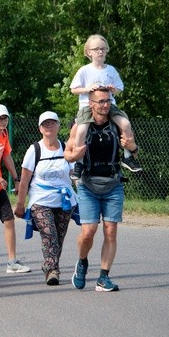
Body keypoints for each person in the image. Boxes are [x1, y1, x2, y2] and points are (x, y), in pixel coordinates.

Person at [64, 87, 136, 292]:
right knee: (89, 232)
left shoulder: (117, 124)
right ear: (91, 104)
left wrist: (132, 148)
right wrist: (74, 156)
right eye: (100, 102)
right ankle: (82, 262)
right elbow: (67, 154)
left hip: (113, 183)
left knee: (111, 231)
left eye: (107, 101)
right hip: (87, 184)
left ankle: (104, 277)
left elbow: (133, 149)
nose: (105, 105)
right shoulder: (80, 126)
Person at [14, 112, 77, 285]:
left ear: (58, 126)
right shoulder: (35, 150)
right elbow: (25, 180)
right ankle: (51, 270)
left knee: (59, 236)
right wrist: (20, 204)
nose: (49, 126)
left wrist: (83, 199)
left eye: (52, 123)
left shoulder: (66, 148)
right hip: (41, 201)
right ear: (40, 128)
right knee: (49, 233)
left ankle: (51, 266)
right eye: (45, 124)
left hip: (64, 201)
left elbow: (74, 176)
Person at [70, 34, 141, 176]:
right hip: (88, 107)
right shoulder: (84, 70)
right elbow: (73, 89)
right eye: (96, 49)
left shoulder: (111, 70)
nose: (100, 51)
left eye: (103, 48)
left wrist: (114, 90)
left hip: (109, 106)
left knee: (126, 124)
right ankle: (79, 162)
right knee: (81, 130)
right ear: (89, 52)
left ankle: (127, 157)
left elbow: (120, 88)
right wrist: (87, 89)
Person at [0, 104, 31, 274]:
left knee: (9, 221)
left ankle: (12, 262)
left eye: (5, 118)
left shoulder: (4, 133)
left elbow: (7, 156)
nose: (3, 121)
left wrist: (16, 179)